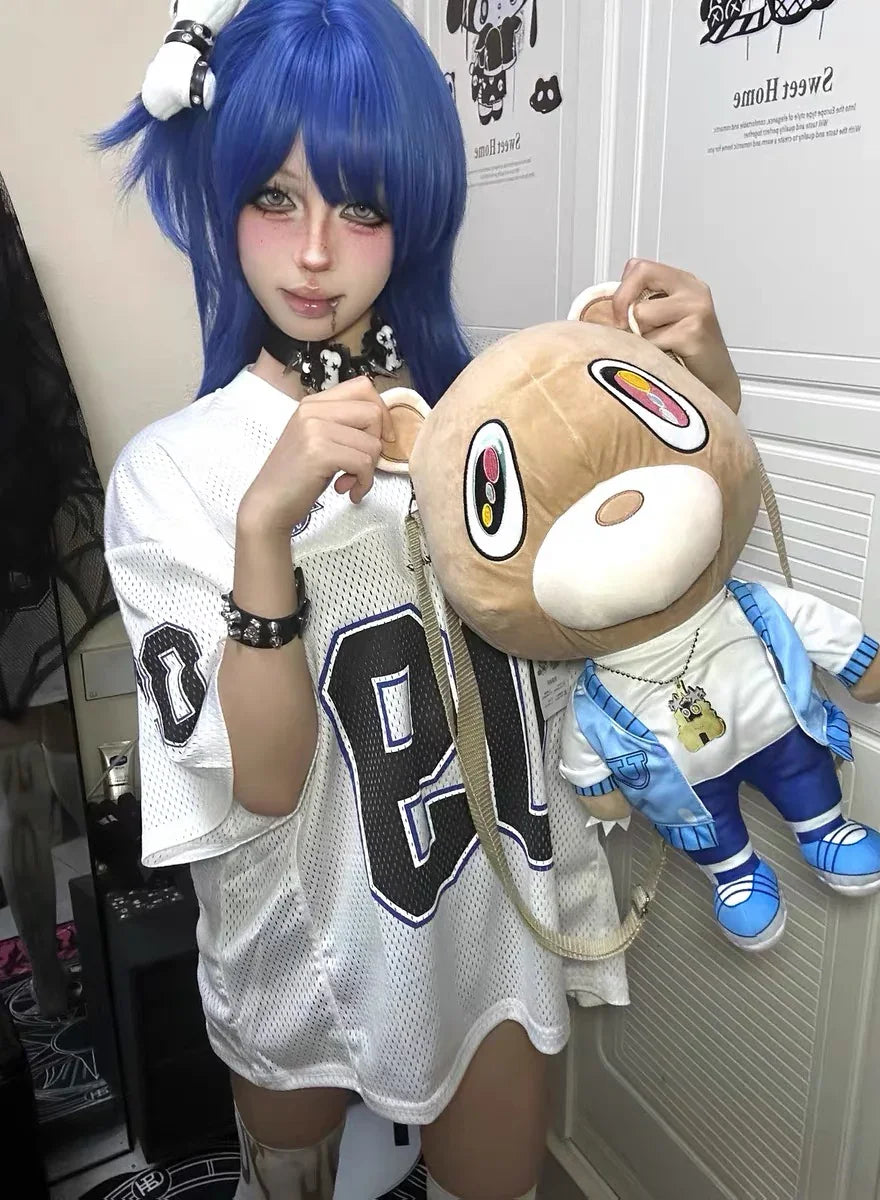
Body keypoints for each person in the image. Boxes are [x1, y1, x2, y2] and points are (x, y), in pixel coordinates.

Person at [99, 2, 742, 1197]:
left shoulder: (492, 422)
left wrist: (703, 400)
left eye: (362, 207)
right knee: (290, 1173)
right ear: (220, 193)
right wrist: (263, 529)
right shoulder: (173, 474)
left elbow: (646, 591)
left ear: (418, 215)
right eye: (275, 197)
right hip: (298, 941)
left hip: (486, 913)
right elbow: (264, 781)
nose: (313, 254)